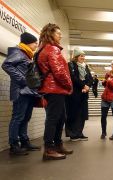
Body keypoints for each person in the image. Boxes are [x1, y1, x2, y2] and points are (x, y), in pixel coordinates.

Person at [37, 23, 73, 160]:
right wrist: (69, 85)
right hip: (54, 88)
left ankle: (57, 144)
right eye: (58, 33)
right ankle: (49, 149)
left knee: (60, 117)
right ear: (50, 34)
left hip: (52, 89)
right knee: (53, 119)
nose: (61, 35)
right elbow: (59, 72)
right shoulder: (52, 49)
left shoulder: (43, 48)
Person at [1, 32, 41, 155]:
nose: (36, 45)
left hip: (28, 92)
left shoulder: (27, 54)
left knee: (25, 117)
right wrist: (23, 79)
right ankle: (14, 145)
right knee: (17, 118)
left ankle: (24, 142)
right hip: (21, 91)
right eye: (35, 43)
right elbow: (6, 65)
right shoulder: (18, 52)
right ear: (28, 43)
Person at [65, 47, 93, 141]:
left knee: (82, 114)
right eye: (81, 56)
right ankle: (72, 134)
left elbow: (90, 78)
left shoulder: (86, 66)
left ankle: (79, 132)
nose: (83, 57)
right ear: (76, 56)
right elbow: (73, 78)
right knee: (73, 113)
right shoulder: (70, 65)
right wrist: (83, 86)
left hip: (84, 93)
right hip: (74, 93)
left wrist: (88, 86)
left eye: (84, 56)